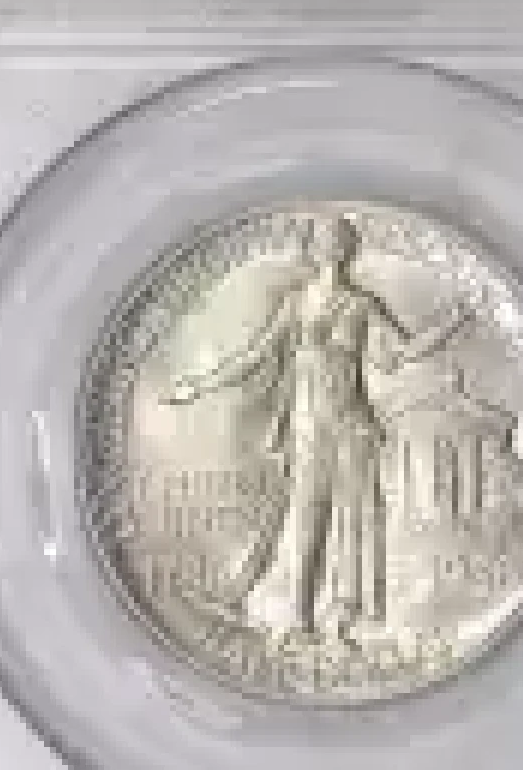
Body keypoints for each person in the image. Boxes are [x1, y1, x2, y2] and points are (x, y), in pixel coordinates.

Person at [163, 213, 468, 643]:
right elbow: (254, 356)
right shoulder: (296, 304)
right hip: (308, 425)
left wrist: (450, 324)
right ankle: (297, 618)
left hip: (351, 426)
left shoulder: (362, 306)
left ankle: (339, 622)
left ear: (348, 249)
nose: (332, 248)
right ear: (313, 249)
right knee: (305, 517)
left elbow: (399, 354)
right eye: (324, 240)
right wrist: (199, 385)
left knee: (350, 523)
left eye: (339, 240)